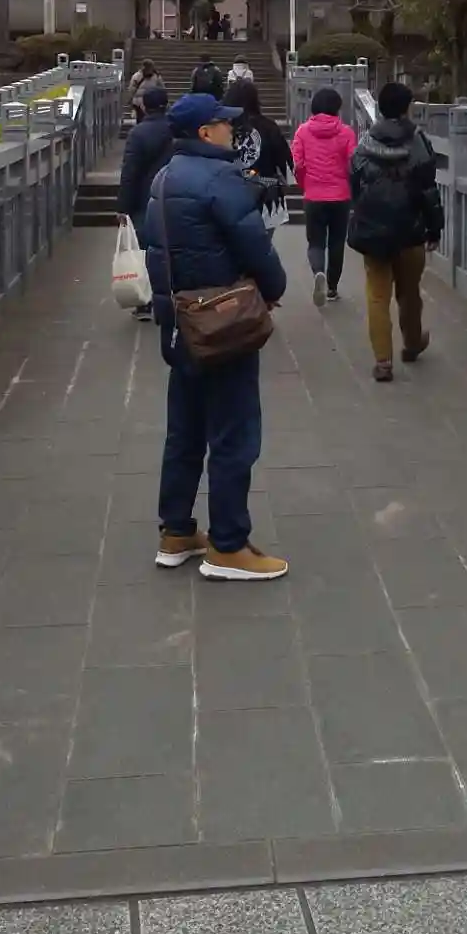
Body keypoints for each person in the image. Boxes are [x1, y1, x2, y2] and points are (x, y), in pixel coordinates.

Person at [144, 93, 289, 580]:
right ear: (205, 132)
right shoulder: (219, 178)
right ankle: (228, 545)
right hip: (221, 322)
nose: (232, 130)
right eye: (224, 124)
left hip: (180, 322)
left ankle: (176, 531)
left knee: (184, 431)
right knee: (233, 434)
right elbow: (254, 245)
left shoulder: (164, 178)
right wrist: (273, 290)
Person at [348, 81, 444, 382]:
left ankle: (383, 361)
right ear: (406, 108)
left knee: (377, 295)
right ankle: (413, 343)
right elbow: (429, 190)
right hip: (410, 229)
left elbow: (355, 183)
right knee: (409, 292)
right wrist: (434, 229)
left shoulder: (365, 143)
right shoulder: (418, 142)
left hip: (374, 231)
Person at [290, 85, 357, 306]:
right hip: (340, 196)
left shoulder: (302, 132)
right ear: (337, 108)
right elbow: (353, 164)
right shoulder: (347, 132)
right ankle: (332, 288)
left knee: (315, 242)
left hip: (314, 196)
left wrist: (305, 185)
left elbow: (298, 165)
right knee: (337, 243)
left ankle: (318, 271)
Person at [117, 82, 173, 318]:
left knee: (145, 249)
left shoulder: (138, 133)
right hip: (173, 194)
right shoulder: (177, 129)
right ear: (166, 105)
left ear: (143, 106)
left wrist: (123, 207)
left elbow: (130, 172)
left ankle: (145, 301)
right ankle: (172, 297)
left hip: (144, 199)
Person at [224, 78, 292, 231]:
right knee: (262, 242)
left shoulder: (223, 128)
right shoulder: (269, 126)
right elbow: (284, 161)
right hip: (266, 194)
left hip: (230, 193)